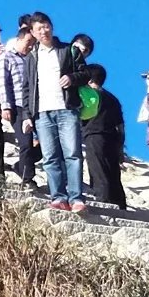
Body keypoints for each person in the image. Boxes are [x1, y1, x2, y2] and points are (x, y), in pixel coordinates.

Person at [29, 13, 86, 211]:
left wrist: (71, 78)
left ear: (52, 27)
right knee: (50, 156)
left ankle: (76, 198)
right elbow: (28, 88)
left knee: (73, 154)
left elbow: (85, 73)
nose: (43, 31)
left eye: (46, 26)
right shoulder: (31, 56)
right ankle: (58, 197)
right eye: (39, 29)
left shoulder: (67, 50)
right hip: (42, 112)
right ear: (33, 33)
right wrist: (29, 116)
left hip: (67, 109)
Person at [79, 64, 128, 207]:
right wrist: (120, 147)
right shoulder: (113, 99)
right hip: (113, 138)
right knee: (113, 173)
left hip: (94, 135)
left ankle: (103, 203)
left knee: (98, 170)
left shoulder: (89, 96)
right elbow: (121, 126)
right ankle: (120, 205)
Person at [0, 25, 34, 185]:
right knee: (25, 142)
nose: (31, 45)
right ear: (19, 39)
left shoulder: (32, 59)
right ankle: (27, 178)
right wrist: (5, 105)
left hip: (34, 106)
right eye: (28, 41)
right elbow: (1, 82)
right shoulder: (7, 57)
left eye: (33, 43)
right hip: (17, 105)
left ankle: (21, 165)